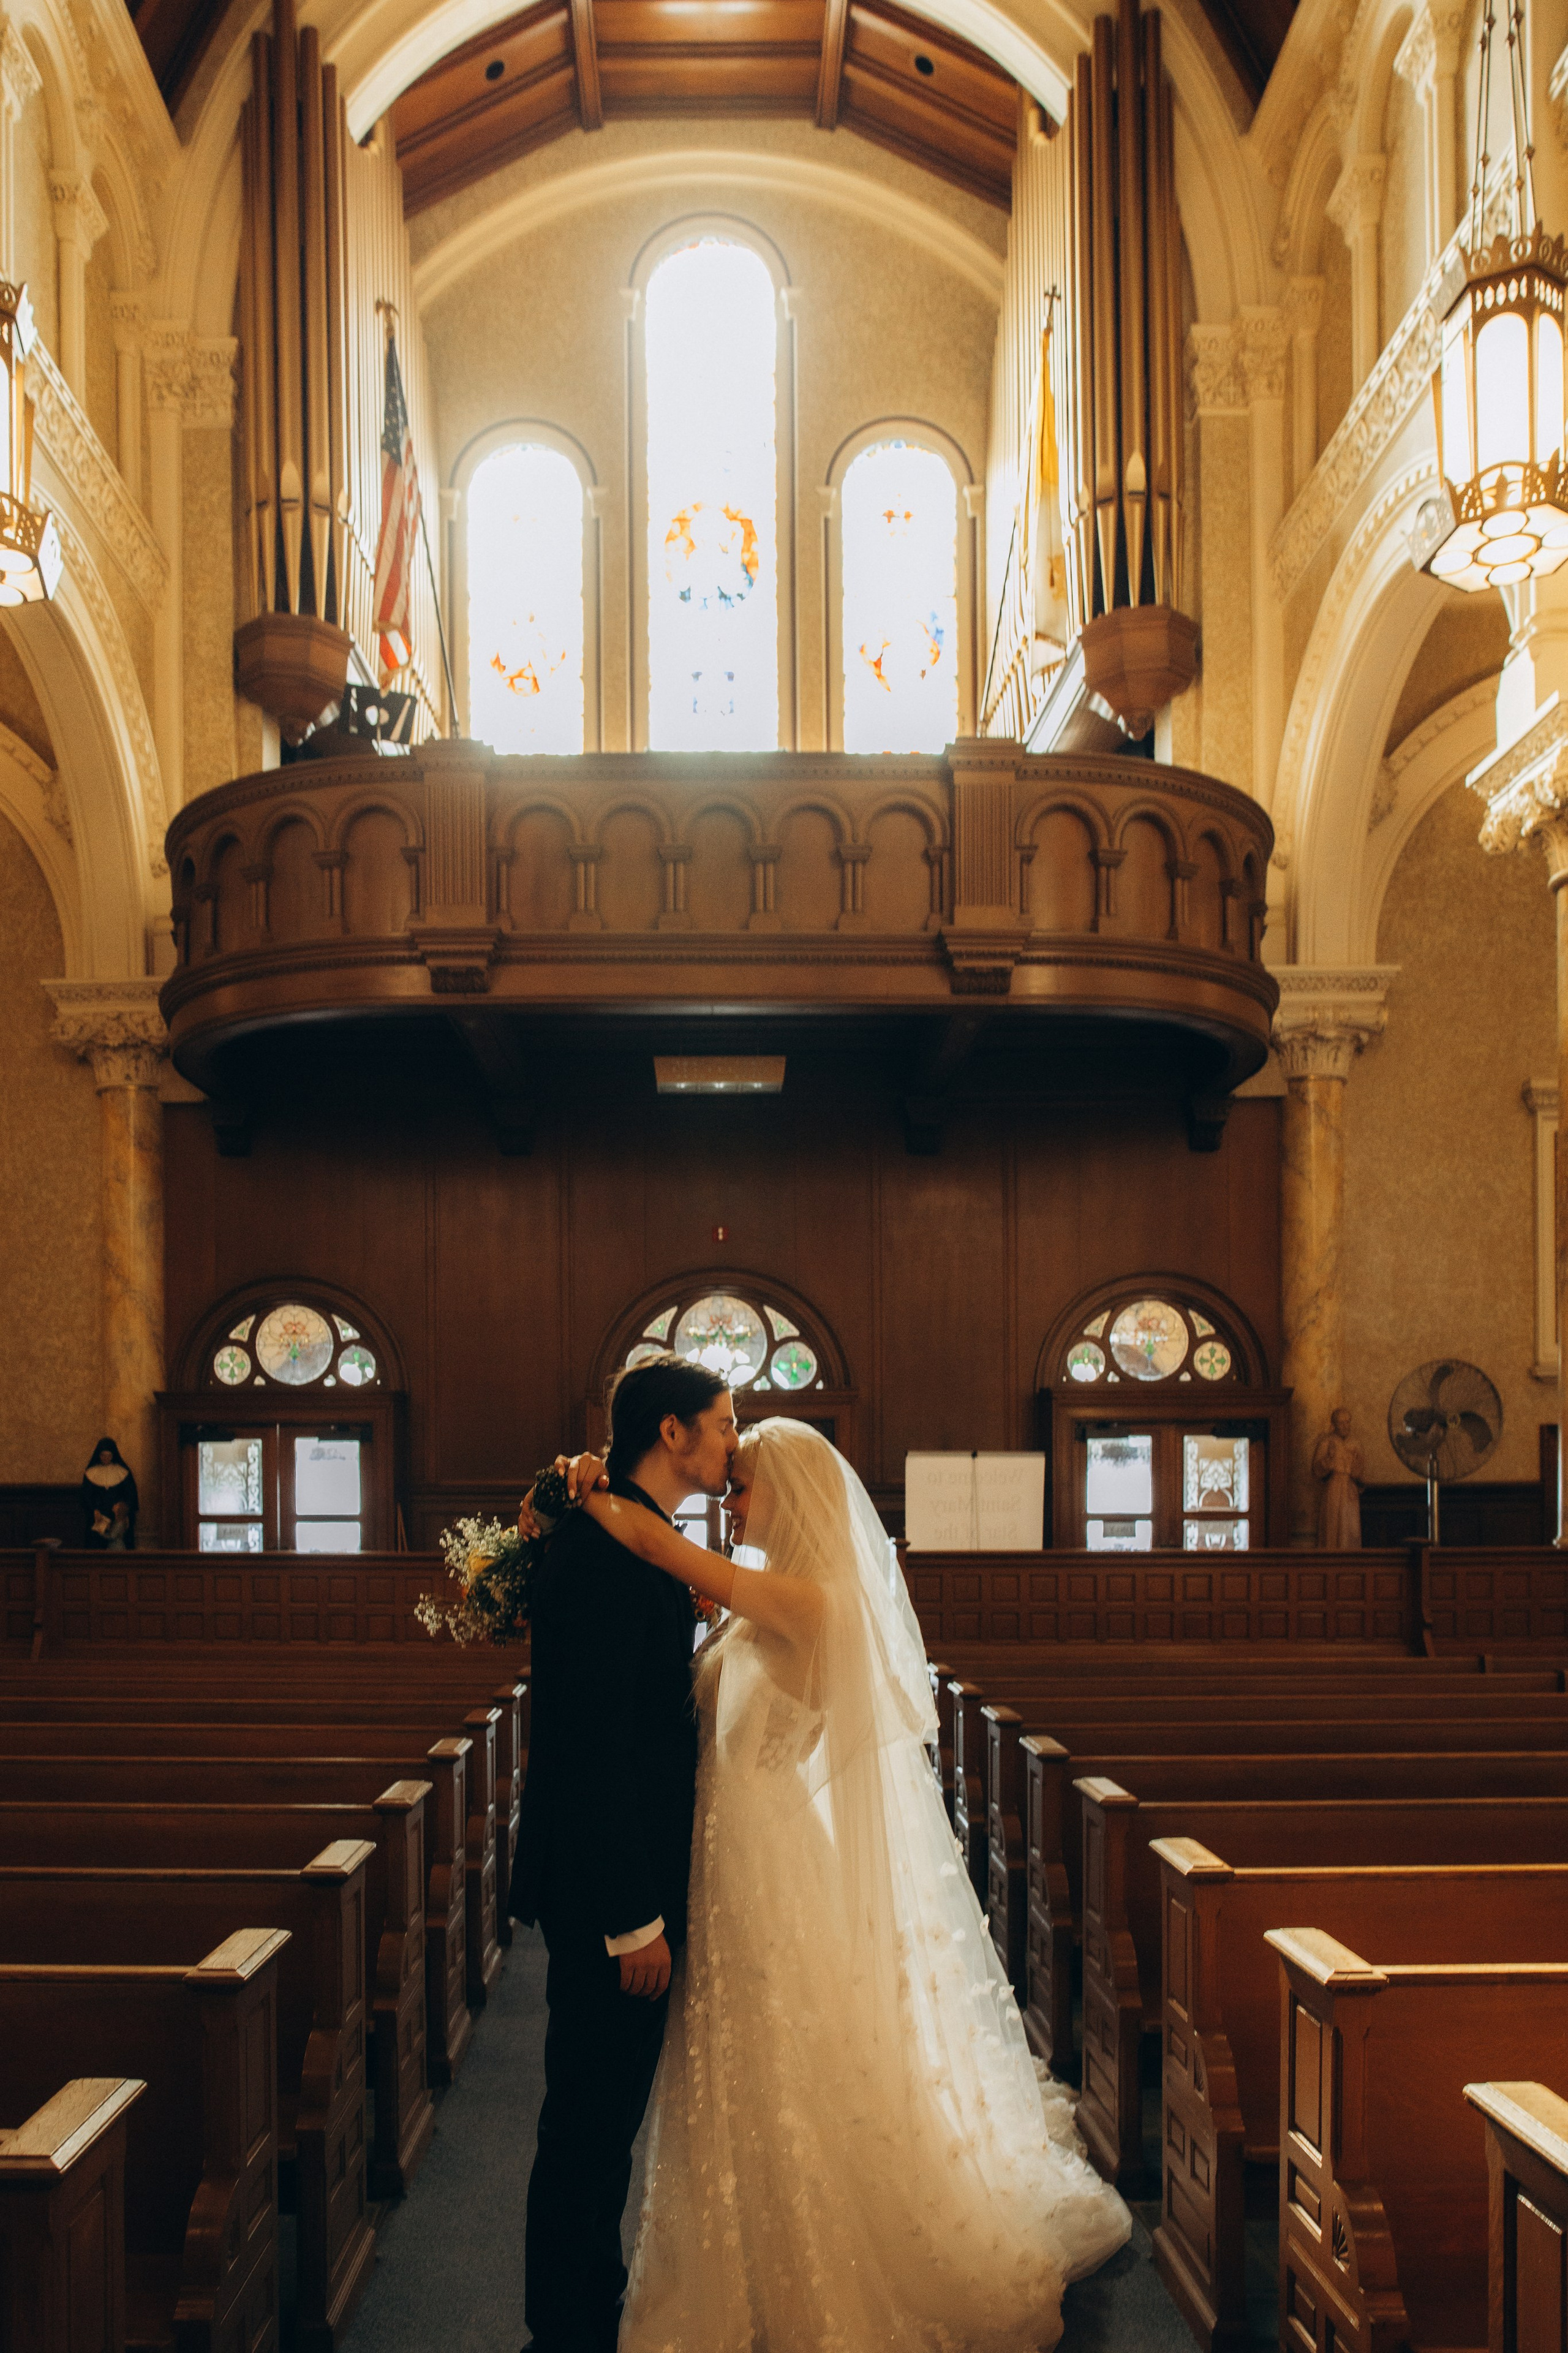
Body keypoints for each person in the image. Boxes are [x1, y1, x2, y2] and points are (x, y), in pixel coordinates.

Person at [535, 1415, 1131, 2351]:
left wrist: (588, 1489)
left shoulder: (813, 1600)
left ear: (793, 1494)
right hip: (731, 1859)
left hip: (766, 1865)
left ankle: (804, 2271)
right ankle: (740, 2258)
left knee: (784, 2068)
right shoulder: (763, 1592)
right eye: (730, 1481)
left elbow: (656, 1544)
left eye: (743, 1485)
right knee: (735, 2072)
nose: (731, 1499)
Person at [510, 1353, 737, 2353]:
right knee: (588, 2129)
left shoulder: (631, 1536)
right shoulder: (604, 1550)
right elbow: (589, 1748)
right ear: (671, 1432)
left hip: (623, 1879)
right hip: (611, 1897)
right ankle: (565, 2333)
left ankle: (578, 2319)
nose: (732, 1442)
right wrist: (632, 1918)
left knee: (600, 2125)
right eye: (722, 1423)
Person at [1312, 1405, 1365, 1549]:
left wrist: (1356, 1466)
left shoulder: (1356, 1444)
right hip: (1333, 1489)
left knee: (1350, 1528)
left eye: (1348, 1422)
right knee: (1332, 1528)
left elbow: (1361, 1473)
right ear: (1334, 1425)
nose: (1345, 1426)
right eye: (1342, 1423)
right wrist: (1329, 1459)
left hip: (1350, 1490)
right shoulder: (1326, 1442)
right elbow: (1316, 1470)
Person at [80, 1437, 138, 1550]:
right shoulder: (90, 1473)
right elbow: (86, 1496)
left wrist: (124, 1511)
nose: (106, 1458)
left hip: (117, 1516)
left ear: (113, 1456)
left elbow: (131, 1496)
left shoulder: (123, 1472)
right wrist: (94, 1510)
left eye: (109, 1456)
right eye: (103, 1455)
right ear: (99, 1455)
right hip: (97, 1517)